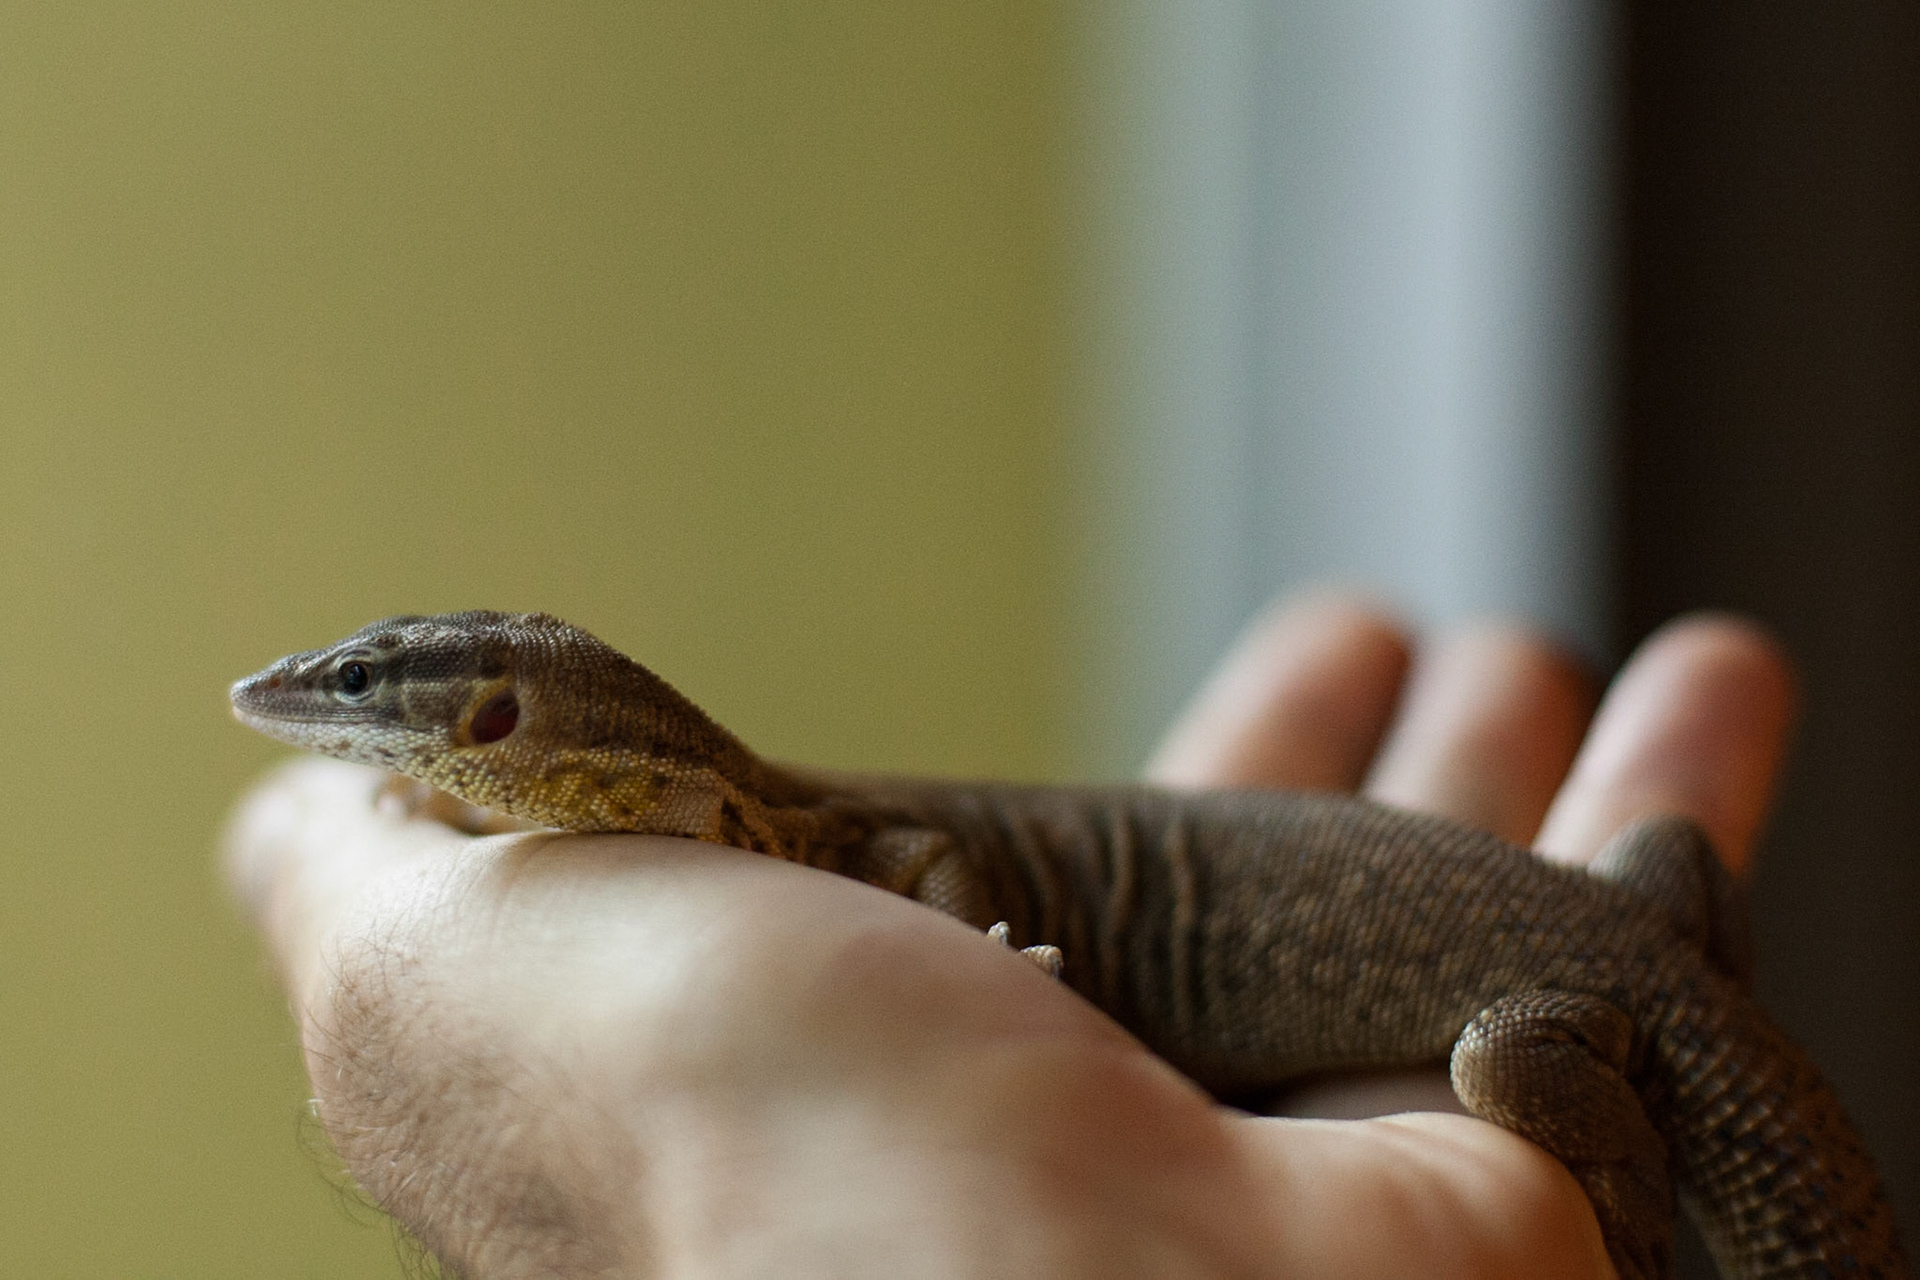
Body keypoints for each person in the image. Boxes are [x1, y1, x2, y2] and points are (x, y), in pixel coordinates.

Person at [226, 593, 1795, 1278]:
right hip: (1616, 934)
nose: (319, 709)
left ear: (495, 716)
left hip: (1558, 1012)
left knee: (1508, 1055)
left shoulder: (859, 842)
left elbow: (920, 863)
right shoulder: (767, 818)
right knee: (1652, 869)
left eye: (363, 691)